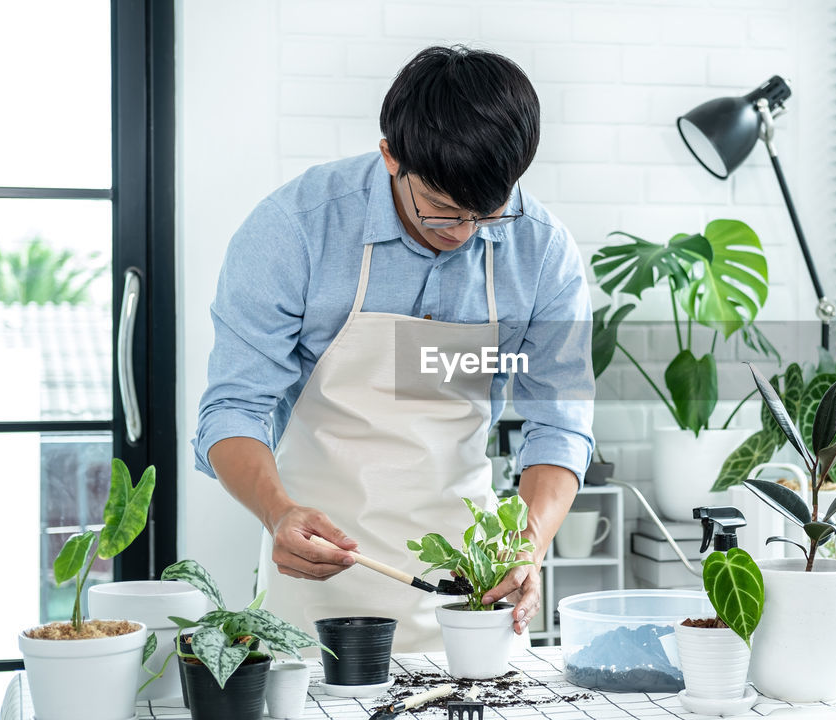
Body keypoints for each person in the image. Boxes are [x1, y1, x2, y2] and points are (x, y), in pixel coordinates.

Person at [193, 45, 594, 652]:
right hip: (320, 580)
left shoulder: (541, 251)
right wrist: (277, 513)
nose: (461, 236)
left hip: (471, 590)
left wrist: (529, 544)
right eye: (441, 212)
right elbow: (232, 410)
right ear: (391, 158)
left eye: (485, 217)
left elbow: (558, 422)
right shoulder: (296, 227)